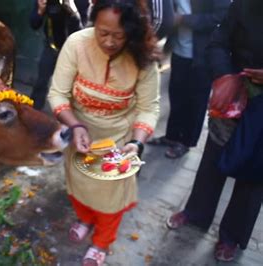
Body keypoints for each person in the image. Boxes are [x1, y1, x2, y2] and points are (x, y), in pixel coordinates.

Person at [47, 0, 159, 265]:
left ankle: (102, 242)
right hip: (79, 132)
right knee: (79, 185)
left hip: (118, 139)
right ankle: (85, 219)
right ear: (93, 23)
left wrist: (136, 143)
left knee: (110, 196)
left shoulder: (143, 59)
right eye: (102, 32)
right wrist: (75, 126)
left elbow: (148, 107)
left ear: (131, 32)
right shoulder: (76, 43)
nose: (108, 42)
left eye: (118, 35)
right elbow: (58, 93)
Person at [166, 0, 263, 262]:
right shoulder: (245, 5)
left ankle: (232, 236)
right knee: (213, 158)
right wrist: (224, 76)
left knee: (254, 174)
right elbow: (219, 41)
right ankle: (196, 213)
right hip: (234, 93)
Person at [147, 0, 230, 158]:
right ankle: (171, 136)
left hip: (203, 55)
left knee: (196, 101)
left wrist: (185, 19)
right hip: (179, 52)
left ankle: (186, 142)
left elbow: (220, 17)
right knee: (176, 96)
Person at [29, 0, 83, 110]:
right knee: (41, 81)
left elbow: (83, 27)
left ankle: (72, 116)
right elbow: (34, 24)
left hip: (73, 50)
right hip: (52, 47)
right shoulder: (45, 2)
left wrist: (72, 9)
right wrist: (40, 10)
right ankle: (34, 112)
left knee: (75, 85)